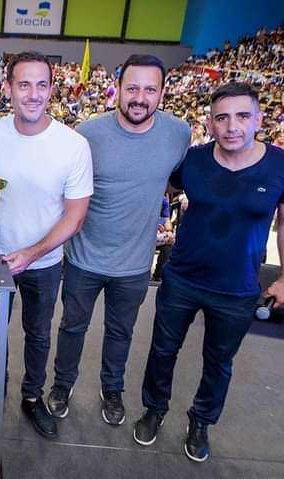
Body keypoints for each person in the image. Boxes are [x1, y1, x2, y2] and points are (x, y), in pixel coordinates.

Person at [134, 82, 284, 462]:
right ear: (210, 123)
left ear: (258, 119)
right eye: (222, 118)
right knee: (163, 350)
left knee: (219, 362)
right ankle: (155, 409)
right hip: (182, 278)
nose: (232, 126)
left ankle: (201, 421)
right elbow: (155, 189)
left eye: (242, 116)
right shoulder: (194, 161)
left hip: (237, 289)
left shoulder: (280, 164)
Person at [47, 54, 191, 426]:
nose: (139, 97)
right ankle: (62, 385)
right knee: (72, 328)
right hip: (83, 260)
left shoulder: (179, 134)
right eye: (132, 88)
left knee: (121, 333)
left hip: (134, 264)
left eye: (149, 89)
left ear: (162, 92)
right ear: (118, 90)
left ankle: (112, 389)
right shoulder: (89, 134)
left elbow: (175, 182)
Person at [0, 51, 93, 439]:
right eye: (24, 84)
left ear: (52, 90)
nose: (33, 94)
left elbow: (75, 217)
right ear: (7, 88)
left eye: (41, 85)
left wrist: (32, 252)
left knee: (39, 334)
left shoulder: (73, 145)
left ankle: (31, 397)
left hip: (43, 264)